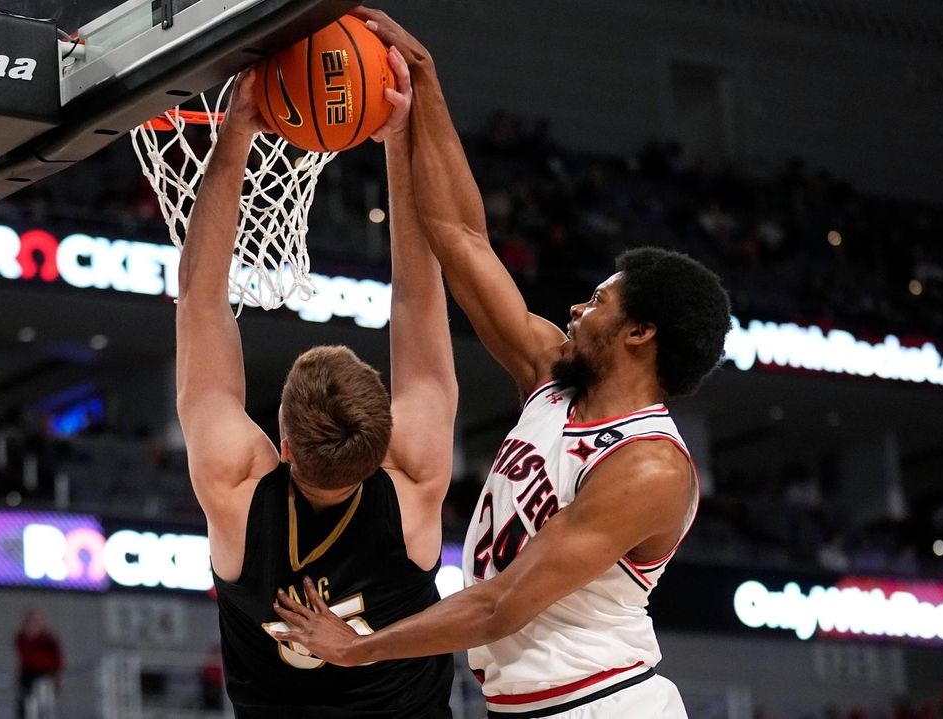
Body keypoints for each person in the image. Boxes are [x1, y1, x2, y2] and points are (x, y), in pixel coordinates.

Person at [270, 9, 732, 718]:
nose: (578, 309)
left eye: (599, 302)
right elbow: (459, 235)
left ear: (640, 332)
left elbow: (503, 603)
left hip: (607, 704)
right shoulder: (552, 374)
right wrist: (423, 93)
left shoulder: (650, 466)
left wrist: (359, 646)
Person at [175, 49, 456, 716]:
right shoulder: (414, 483)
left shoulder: (239, 493)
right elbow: (420, 304)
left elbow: (200, 299)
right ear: (384, 440)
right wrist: (398, 142)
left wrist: (237, 131)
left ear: (285, 446)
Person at [14, 608, 62, 719]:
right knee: (27, 707)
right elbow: (27, 656)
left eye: (38, 620)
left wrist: (57, 675)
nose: (36, 623)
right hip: (29, 677)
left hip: (46, 677)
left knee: (46, 708)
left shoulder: (49, 639)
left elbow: (57, 658)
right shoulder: (22, 637)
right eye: (33, 620)